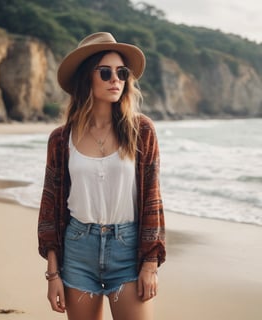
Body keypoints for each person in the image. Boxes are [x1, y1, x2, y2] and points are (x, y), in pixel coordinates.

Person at [38, 32, 165, 320]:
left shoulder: (141, 131)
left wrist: (150, 263)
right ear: (87, 78)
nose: (115, 80)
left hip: (128, 249)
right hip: (78, 249)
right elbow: (50, 207)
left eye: (122, 73)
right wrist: (52, 274)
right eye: (105, 72)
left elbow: (152, 198)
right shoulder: (61, 139)